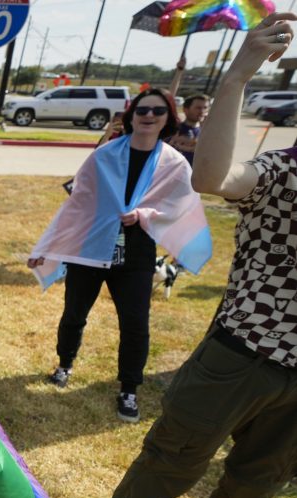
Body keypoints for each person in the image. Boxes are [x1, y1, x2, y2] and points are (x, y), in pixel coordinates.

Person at [90, 13, 297, 498]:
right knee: (169, 464)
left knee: (254, 492)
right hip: (242, 354)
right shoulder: (285, 172)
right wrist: (236, 78)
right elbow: (213, 179)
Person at [28, 88, 211, 424]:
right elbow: (78, 205)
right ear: (131, 115)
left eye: (158, 111)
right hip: (91, 247)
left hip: (137, 251)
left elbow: (180, 207)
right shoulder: (105, 155)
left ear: (168, 118)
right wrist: (46, 246)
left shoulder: (173, 163)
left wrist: (145, 215)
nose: (149, 116)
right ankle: (64, 364)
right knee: (74, 314)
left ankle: (129, 388)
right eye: (142, 110)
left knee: (135, 323)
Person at [168, 93, 211, 165]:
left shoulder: (207, 133)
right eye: (198, 108)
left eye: (205, 108)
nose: (202, 111)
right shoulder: (174, 129)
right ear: (186, 110)